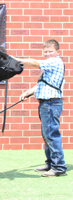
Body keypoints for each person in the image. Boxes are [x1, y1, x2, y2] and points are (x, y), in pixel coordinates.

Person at [16, 39, 67, 177]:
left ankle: (59, 167)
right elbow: (43, 84)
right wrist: (28, 92)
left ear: (57, 52)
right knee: (47, 135)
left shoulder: (55, 61)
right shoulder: (50, 65)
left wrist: (15, 60)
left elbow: (34, 62)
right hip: (46, 103)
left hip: (51, 103)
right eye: (45, 51)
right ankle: (50, 163)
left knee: (51, 134)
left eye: (50, 51)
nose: (47, 54)